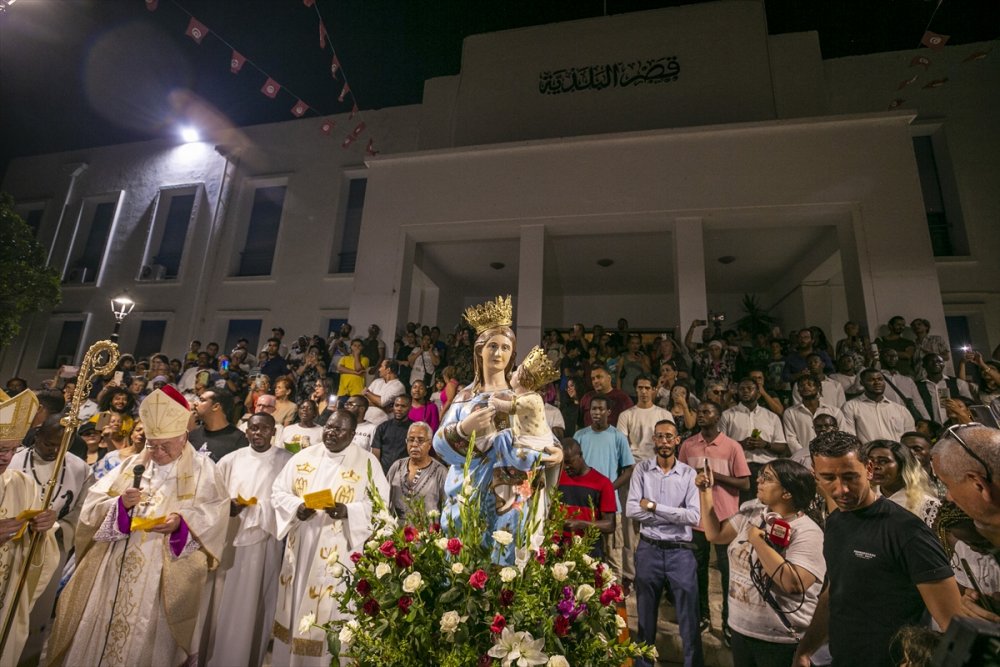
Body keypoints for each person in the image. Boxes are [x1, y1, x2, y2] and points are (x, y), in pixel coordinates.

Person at [46, 386, 230, 666]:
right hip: (114, 568)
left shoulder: (204, 470)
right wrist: (120, 506)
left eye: (165, 446)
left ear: (183, 437)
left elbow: (215, 515)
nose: (156, 452)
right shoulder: (134, 464)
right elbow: (91, 510)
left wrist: (181, 524)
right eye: (152, 445)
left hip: (162, 574)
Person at [793, 431, 963, 667]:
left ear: (869, 469)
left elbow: (955, 628)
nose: (841, 489)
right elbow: (834, 593)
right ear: (815, 475)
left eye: (850, 477)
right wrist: (805, 650)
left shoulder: (908, 532)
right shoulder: (836, 521)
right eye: (828, 477)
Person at [432, 296, 562, 564]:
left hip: (512, 495)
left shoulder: (521, 396)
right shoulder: (464, 396)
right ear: (479, 350)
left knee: (506, 560)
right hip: (469, 490)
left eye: (505, 347)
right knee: (466, 562)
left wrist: (556, 454)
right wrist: (465, 428)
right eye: (492, 346)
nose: (498, 353)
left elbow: (541, 435)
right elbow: (438, 443)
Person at [270, 409, 388, 666]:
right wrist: (297, 507)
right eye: (329, 427)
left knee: (330, 613)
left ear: (353, 434)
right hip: (301, 545)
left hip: (338, 551)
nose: (331, 433)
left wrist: (349, 511)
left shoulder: (367, 463)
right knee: (295, 602)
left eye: (339, 429)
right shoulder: (304, 456)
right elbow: (278, 492)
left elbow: (380, 506)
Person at [698, 459, 826, 667]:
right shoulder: (753, 514)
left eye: (767, 478)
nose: (759, 480)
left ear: (787, 492)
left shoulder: (808, 532)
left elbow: (793, 583)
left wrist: (757, 541)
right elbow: (715, 534)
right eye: (761, 476)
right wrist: (705, 492)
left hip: (779, 640)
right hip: (741, 630)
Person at [205, 412, 293, 667]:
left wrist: (263, 510)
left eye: (264, 429)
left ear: (273, 432)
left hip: (267, 542)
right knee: (224, 600)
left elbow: (289, 501)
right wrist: (226, 507)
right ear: (246, 432)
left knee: (257, 602)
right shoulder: (230, 460)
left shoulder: (287, 462)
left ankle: (248, 657)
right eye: (254, 429)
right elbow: (212, 498)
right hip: (231, 538)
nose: (258, 433)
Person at [8, 415, 90, 663]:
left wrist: (57, 524)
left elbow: (83, 512)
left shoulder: (80, 468)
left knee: (36, 616)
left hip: (51, 548)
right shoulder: (11, 460)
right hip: (10, 545)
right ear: (37, 436)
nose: (55, 450)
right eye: (49, 443)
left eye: (62, 445)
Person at [626, 419, 702, 667]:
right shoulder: (642, 470)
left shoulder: (689, 474)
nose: (665, 442)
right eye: (660, 437)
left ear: (677, 440)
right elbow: (631, 509)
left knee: (689, 620)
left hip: (681, 553)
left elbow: (693, 516)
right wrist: (673, 514)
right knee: (645, 619)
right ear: (654, 441)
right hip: (649, 548)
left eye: (669, 437)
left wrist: (654, 507)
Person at [678, 400, 751, 634]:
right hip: (696, 516)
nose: (701, 415)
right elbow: (679, 479)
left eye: (707, 411)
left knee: (728, 572)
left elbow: (744, 482)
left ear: (718, 417)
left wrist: (715, 476)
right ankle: (702, 616)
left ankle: (729, 622)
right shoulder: (689, 445)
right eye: (698, 411)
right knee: (696, 570)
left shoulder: (731, 447)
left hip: (726, 518)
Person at [0, 389, 58, 667]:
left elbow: (41, 556)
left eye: (13, 449)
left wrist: (42, 530)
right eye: (1, 448)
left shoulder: (23, 485)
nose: (7, 457)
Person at [573, 396, 635, 580]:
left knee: (613, 555)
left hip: (610, 505)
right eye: (593, 409)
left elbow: (629, 469)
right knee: (583, 555)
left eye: (601, 409)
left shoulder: (617, 437)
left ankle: (616, 600)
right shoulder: (580, 436)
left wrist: (608, 488)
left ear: (609, 412)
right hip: (584, 505)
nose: (596, 413)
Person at [488, 345, 562, 459]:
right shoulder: (521, 395)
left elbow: (513, 405)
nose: (511, 374)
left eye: (505, 348)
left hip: (530, 444)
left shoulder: (532, 398)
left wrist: (496, 402)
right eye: (492, 346)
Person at [719, 377, 787, 502]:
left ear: (759, 393)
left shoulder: (771, 416)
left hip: (766, 468)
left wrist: (765, 444)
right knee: (741, 508)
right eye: (742, 389)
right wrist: (740, 445)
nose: (745, 391)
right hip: (739, 468)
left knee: (767, 506)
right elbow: (720, 446)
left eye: (750, 388)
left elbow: (782, 447)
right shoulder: (728, 415)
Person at [557, 438, 616, 558]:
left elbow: (610, 525)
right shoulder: (557, 478)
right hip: (558, 547)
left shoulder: (603, 483)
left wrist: (581, 524)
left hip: (589, 550)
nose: (565, 467)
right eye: (563, 463)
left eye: (569, 462)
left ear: (580, 455)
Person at [864, 439, 941, 527]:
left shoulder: (926, 505)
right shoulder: (863, 500)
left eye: (883, 461)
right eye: (870, 461)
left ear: (902, 465)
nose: (875, 466)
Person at [385, 421, 447, 519]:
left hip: (427, 532)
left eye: (420, 440)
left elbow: (447, 509)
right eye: (411, 439)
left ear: (430, 444)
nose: (414, 444)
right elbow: (383, 499)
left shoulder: (440, 472)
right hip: (395, 531)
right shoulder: (397, 466)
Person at [841, 368, 916, 443]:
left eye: (880, 379)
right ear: (862, 383)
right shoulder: (851, 406)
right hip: (867, 453)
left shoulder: (901, 410)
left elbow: (910, 439)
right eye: (871, 380)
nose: (877, 382)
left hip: (897, 453)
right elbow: (850, 438)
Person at [782, 376, 844, 456]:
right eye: (801, 385)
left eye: (810, 384)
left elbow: (842, 434)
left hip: (832, 456)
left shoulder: (834, 411)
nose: (805, 387)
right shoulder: (790, 413)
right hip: (804, 458)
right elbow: (791, 439)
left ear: (818, 388)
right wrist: (805, 456)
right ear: (798, 390)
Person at [189, 387, 249, 462]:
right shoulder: (192, 436)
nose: (195, 403)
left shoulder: (239, 440)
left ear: (216, 407)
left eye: (202, 400)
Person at [372, 395, 413, 474]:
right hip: (383, 473)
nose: (399, 409)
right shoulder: (382, 427)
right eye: (396, 405)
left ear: (410, 408)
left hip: (405, 474)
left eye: (403, 406)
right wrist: (377, 473)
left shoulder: (414, 428)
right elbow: (376, 453)